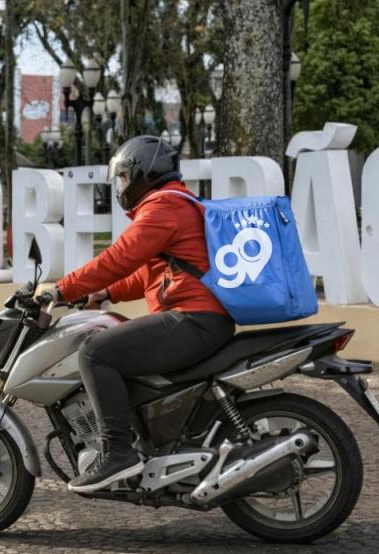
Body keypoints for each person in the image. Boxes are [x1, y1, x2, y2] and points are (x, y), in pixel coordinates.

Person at [37, 135, 235, 494]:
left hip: (193, 319)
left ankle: (117, 452)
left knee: (96, 352)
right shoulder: (179, 203)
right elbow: (151, 273)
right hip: (200, 318)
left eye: (125, 177)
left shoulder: (164, 207)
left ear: (146, 171)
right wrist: (105, 293)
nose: (122, 186)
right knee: (117, 342)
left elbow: (119, 258)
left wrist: (61, 290)